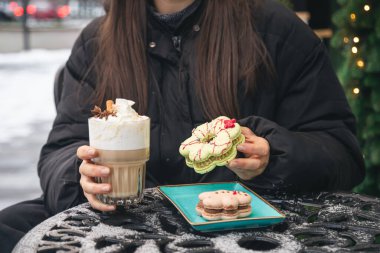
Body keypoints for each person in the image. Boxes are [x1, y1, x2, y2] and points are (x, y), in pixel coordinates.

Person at [0, 0, 365, 251]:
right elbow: (62, 148)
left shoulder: (276, 32)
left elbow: (340, 151)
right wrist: (83, 176)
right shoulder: (97, 43)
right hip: (122, 225)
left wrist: (274, 155)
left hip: (246, 229)